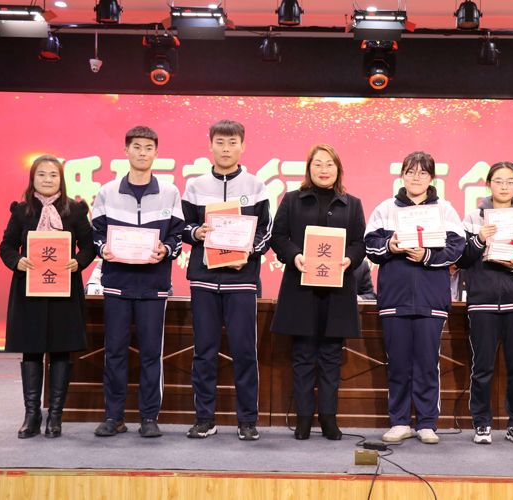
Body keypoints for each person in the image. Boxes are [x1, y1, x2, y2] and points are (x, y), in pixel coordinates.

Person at [365, 151, 465, 445]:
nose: (416, 177)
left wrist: (427, 256)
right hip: (394, 299)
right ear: (402, 176)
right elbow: (370, 246)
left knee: (427, 363)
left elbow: (457, 248)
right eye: (410, 172)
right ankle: (399, 421)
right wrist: (390, 246)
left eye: (422, 172)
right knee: (397, 363)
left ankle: (426, 423)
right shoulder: (385, 208)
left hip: (431, 298)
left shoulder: (445, 210)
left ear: (432, 178)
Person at [91, 126, 184, 438]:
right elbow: (95, 234)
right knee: (114, 352)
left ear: (156, 152)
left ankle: (149, 417)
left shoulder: (170, 192)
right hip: (117, 284)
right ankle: (114, 416)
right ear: (126, 150)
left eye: (148, 148)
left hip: (154, 286)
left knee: (150, 354)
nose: (142, 153)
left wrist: (166, 249)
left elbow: (178, 236)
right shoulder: (107, 192)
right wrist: (103, 249)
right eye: (137, 147)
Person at [181, 120, 272, 441]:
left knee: (245, 352)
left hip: (241, 281)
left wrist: (249, 251)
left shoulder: (256, 186)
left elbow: (266, 232)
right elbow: (182, 227)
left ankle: (247, 420)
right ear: (210, 145)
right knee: (204, 352)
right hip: (204, 281)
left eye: (232, 142)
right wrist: (197, 232)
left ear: (242, 146)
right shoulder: (195, 186)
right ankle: (205, 418)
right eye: (220, 142)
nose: (226, 148)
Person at [270, 144, 366, 440]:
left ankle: (328, 418)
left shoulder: (352, 204)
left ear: (338, 169)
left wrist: (349, 259)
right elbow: (278, 236)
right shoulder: (292, 200)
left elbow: (360, 243)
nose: (324, 170)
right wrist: (294, 255)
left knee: (330, 357)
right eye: (318, 164)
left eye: (329, 164)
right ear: (309, 169)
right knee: (302, 356)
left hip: (337, 291)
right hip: (301, 289)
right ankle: (303, 419)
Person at [0, 155, 96, 438]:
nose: (47, 179)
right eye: (41, 174)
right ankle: (31, 416)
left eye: (53, 175)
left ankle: (55, 416)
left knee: (61, 350)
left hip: (64, 291)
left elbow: (89, 246)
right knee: (31, 350)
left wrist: (79, 261)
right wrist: (17, 261)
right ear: (33, 178)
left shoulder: (74, 210)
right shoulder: (21, 211)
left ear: (61, 180)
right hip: (29, 291)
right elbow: (6, 246)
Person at [456, 162, 513, 445]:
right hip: (482, 301)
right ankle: (481, 423)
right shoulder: (473, 218)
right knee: (482, 367)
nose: (504, 186)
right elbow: (461, 259)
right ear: (488, 184)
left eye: (510, 181)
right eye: (498, 181)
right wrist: (480, 239)